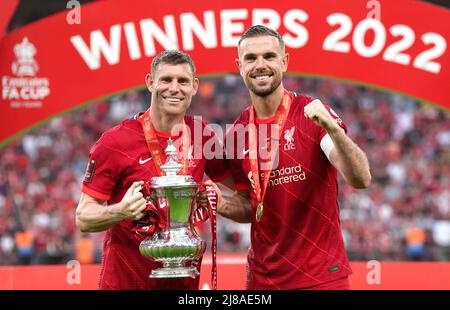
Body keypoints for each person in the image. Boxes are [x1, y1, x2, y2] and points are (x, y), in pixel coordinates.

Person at [218, 25, 371, 290]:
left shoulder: (312, 115)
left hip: (321, 277)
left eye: (269, 56)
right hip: (262, 282)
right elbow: (251, 207)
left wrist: (334, 130)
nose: (260, 65)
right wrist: (220, 203)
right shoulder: (236, 133)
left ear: (284, 62)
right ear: (239, 66)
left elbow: (360, 179)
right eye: (251, 58)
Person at [76, 50, 228, 289]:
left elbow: (235, 194)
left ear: (194, 86)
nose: (174, 88)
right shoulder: (115, 142)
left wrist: (219, 201)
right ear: (150, 82)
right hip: (126, 285)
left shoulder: (203, 135)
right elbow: (83, 217)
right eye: (166, 80)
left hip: (184, 286)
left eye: (183, 81)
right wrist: (121, 211)